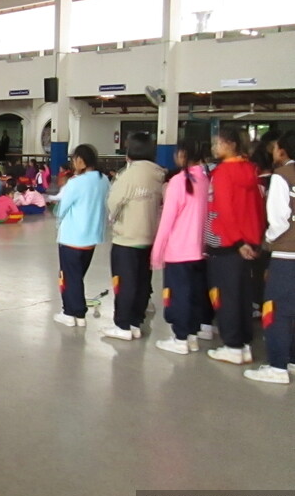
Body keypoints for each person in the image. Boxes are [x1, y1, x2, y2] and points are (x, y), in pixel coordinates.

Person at [205, 127, 265, 365]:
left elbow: (225, 211)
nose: (213, 148)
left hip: (226, 242)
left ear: (229, 145)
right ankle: (244, 343)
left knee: (226, 296)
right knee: (242, 295)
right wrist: (254, 240)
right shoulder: (251, 170)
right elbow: (258, 208)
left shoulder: (223, 173)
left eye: (217, 143)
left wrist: (237, 241)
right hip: (249, 242)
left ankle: (232, 345)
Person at [102, 132, 165, 341]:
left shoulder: (128, 175)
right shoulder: (158, 175)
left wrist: (115, 220)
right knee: (140, 282)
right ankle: (136, 322)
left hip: (127, 237)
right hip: (149, 237)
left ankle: (123, 325)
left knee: (124, 282)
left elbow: (113, 203)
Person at [244, 130, 295, 384]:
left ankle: (277, 365)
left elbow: (278, 220)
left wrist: (268, 242)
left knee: (276, 309)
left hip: (287, 255)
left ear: (283, 151)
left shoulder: (282, 176)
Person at [151, 139, 210, 355]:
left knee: (178, 295)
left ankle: (180, 338)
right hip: (198, 249)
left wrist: (157, 252)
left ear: (183, 155)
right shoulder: (204, 179)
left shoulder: (178, 182)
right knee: (194, 293)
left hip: (178, 250)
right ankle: (191, 335)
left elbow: (167, 221)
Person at [53, 144, 110, 327]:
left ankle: (72, 312)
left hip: (72, 236)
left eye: (74, 159)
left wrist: (57, 216)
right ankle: (76, 312)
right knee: (77, 276)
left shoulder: (76, 183)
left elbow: (61, 209)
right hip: (92, 237)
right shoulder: (103, 180)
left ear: (80, 160)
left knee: (69, 276)